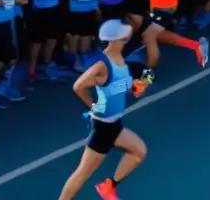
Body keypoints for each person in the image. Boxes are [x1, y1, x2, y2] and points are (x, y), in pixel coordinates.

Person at [58, 20, 148, 200]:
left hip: (115, 125)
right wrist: (92, 105)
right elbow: (79, 86)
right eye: (123, 35)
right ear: (114, 40)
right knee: (81, 175)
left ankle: (109, 186)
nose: (127, 36)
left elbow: (131, 83)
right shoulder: (102, 66)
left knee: (139, 152)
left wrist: (138, 87)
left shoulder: (122, 60)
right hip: (103, 128)